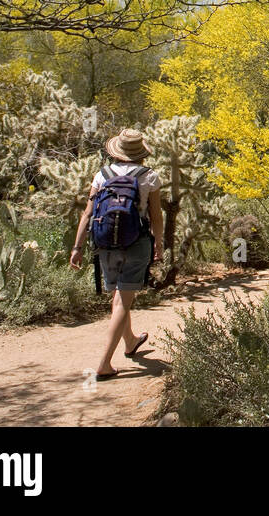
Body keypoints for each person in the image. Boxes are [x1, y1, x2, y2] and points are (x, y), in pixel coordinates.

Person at [69, 128, 164, 379]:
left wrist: (77, 247)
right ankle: (104, 363)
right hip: (136, 241)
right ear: (141, 153)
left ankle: (131, 341)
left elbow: (87, 214)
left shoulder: (102, 175)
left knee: (119, 296)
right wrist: (159, 244)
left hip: (104, 242)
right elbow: (156, 217)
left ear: (117, 152)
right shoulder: (149, 176)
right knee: (123, 299)